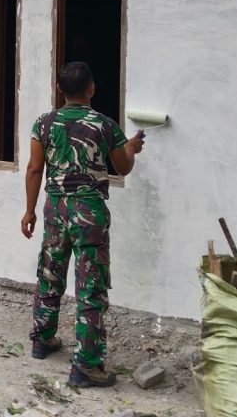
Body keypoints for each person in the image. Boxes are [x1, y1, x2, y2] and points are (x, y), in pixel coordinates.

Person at [20, 62, 144, 388]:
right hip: (89, 214)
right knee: (91, 287)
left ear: (59, 89)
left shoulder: (43, 124)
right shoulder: (105, 125)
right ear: (92, 88)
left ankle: (42, 339)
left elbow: (34, 168)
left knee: (50, 273)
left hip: (55, 210)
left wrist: (29, 211)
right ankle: (86, 366)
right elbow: (123, 167)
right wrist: (130, 148)